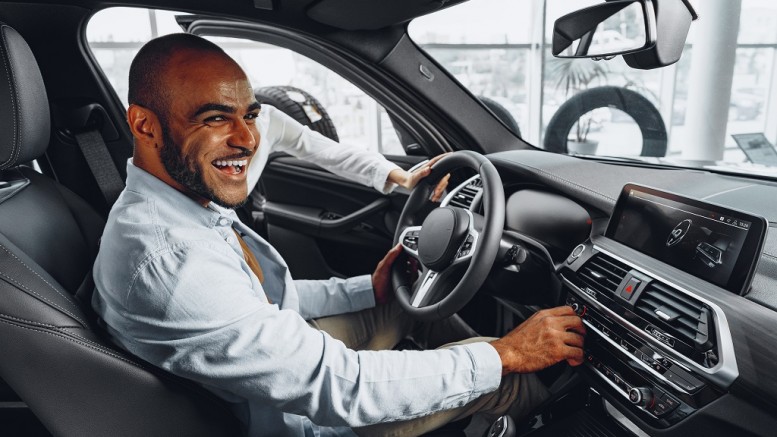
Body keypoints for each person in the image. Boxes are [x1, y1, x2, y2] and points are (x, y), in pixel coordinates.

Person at [92, 33, 586, 436]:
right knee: (506, 383)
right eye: (216, 117)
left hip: (277, 381)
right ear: (145, 125)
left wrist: (363, 289)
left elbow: (256, 307)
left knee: (402, 299)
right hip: (297, 419)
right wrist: (505, 355)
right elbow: (343, 387)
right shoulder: (172, 258)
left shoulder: (178, 206)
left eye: (250, 114)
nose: (247, 139)